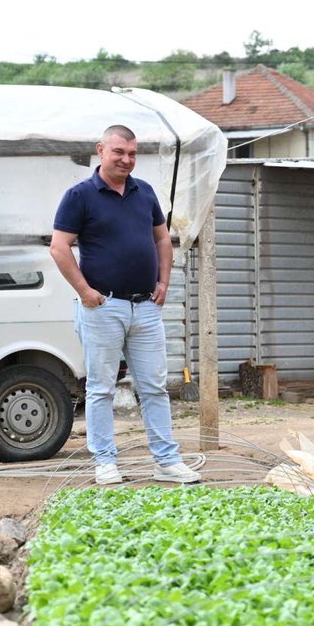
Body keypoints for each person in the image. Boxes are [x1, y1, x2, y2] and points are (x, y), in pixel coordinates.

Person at [50, 124, 201, 486]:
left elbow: (162, 239)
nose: (126, 159)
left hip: (145, 307)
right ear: (101, 150)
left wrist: (164, 282)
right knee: (101, 388)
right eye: (119, 152)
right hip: (104, 307)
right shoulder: (80, 195)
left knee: (153, 387)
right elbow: (59, 247)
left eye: (132, 153)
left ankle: (166, 460)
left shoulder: (144, 192)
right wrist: (86, 292)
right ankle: (105, 462)